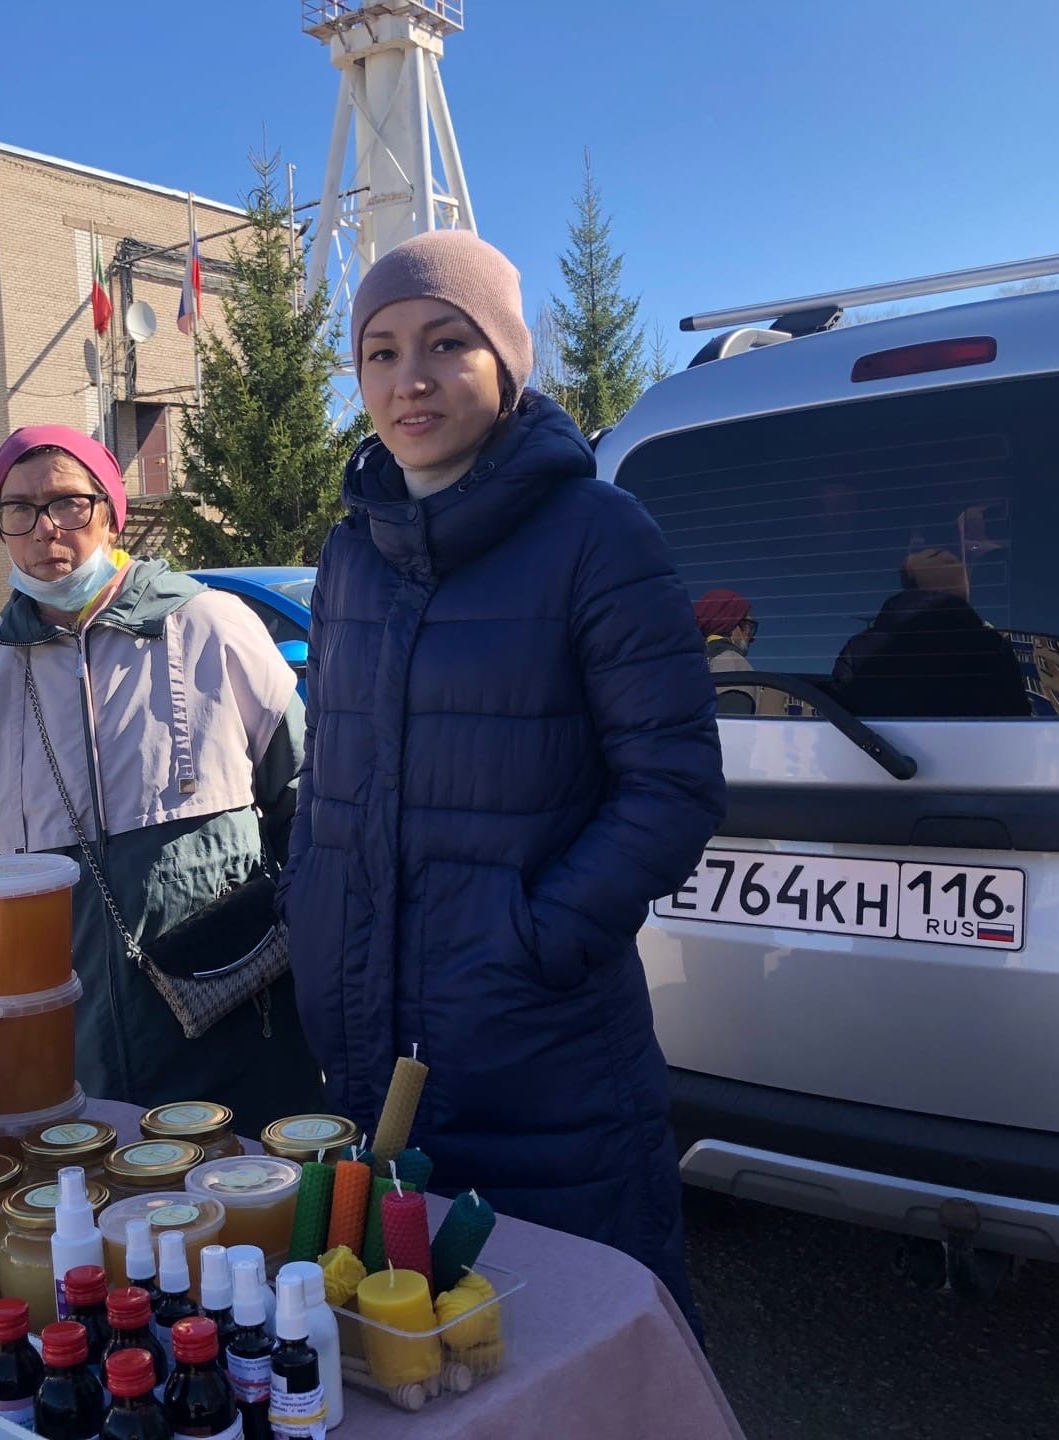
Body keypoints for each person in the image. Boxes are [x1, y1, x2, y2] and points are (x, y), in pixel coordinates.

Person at [282, 231, 725, 1329]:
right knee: (404, 1360)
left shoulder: (597, 535)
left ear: (507, 363)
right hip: (364, 1047)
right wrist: (311, 905)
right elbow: (328, 778)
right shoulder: (351, 556)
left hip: (546, 1059)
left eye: (445, 343)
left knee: (571, 1355)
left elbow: (670, 789)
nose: (409, 379)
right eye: (378, 352)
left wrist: (530, 941)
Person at [0, 425, 322, 1124]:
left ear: (110, 509)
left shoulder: (213, 629)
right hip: (73, 1067)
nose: (46, 531)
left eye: (68, 503)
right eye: (19, 511)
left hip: (242, 1044)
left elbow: (313, 821)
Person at [832, 548, 1030, 718]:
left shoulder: (857, 651)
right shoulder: (993, 649)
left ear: (908, 586)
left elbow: (840, 722)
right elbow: (1020, 720)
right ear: (961, 589)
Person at [694, 588, 760, 716]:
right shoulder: (732, 663)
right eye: (749, 626)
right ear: (732, 625)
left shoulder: (684, 662)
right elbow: (732, 729)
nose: (752, 638)